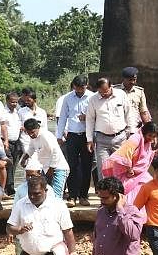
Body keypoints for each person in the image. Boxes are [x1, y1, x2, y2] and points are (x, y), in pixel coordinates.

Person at [56, 75, 94, 205]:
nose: (79, 91)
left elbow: (97, 116)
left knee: (86, 166)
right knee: (71, 166)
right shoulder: (67, 98)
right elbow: (62, 117)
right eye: (77, 88)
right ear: (73, 86)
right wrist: (59, 135)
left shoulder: (92, 97)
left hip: (87, 136)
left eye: (82, 88)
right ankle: (72, 196)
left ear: (86, 85)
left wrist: (87, 117)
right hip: (71, 135)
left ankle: (83, 196)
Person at [101, 121, 158, 203]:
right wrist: (129, 169)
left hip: (139, 172)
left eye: (154, 136)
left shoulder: (147, 142)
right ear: (144, 132)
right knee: (130, 192)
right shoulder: (135, 138)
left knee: (149, 184)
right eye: (150, 135)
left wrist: (154, 153)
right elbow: (125, 153)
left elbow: (144, 156)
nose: (151, 139)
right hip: (127, 171)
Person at [86, 76, 133, 175]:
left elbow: (129, 113)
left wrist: (130, 132)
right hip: (102, 140)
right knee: (104, 170)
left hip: (120, 138)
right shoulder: (93, 99)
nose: (103, 94)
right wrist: (89, 139)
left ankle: (119, 190)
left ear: (111, 86)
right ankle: (103, 190)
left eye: (105, 91)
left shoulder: (121, 94)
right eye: (101, 92)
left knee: (122, 168)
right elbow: (90, 120)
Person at [22, 117, 68, 200]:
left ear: (38, 128)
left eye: (32, 132)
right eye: (28, 133)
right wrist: (24, 158)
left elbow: (55, 152)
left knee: (56, 196)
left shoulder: (46, 135)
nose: (31, 135)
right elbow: (31, 148)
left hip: (58, 168)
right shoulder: (33, 137)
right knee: (45, 195)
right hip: (45, 168)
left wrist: (51, 169)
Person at [113, 66, 151, 133]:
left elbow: (143, 112)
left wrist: (150, 129)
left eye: (134, 79)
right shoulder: (115, 90)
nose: (133, 82)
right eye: (130, 80)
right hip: (118, 129)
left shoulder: (139, 92)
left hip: (134, 128)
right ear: (124, 79)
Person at [3, 92, 23, 190]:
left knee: (14, 165)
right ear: (7, 101)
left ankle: (10, 187)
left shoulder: (17, 113)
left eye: (16, 102)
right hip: (6, 142)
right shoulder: (3, 113)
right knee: (8, 165)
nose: (14, 104)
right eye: (12, 102)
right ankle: (8, 188)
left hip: (16, 142)